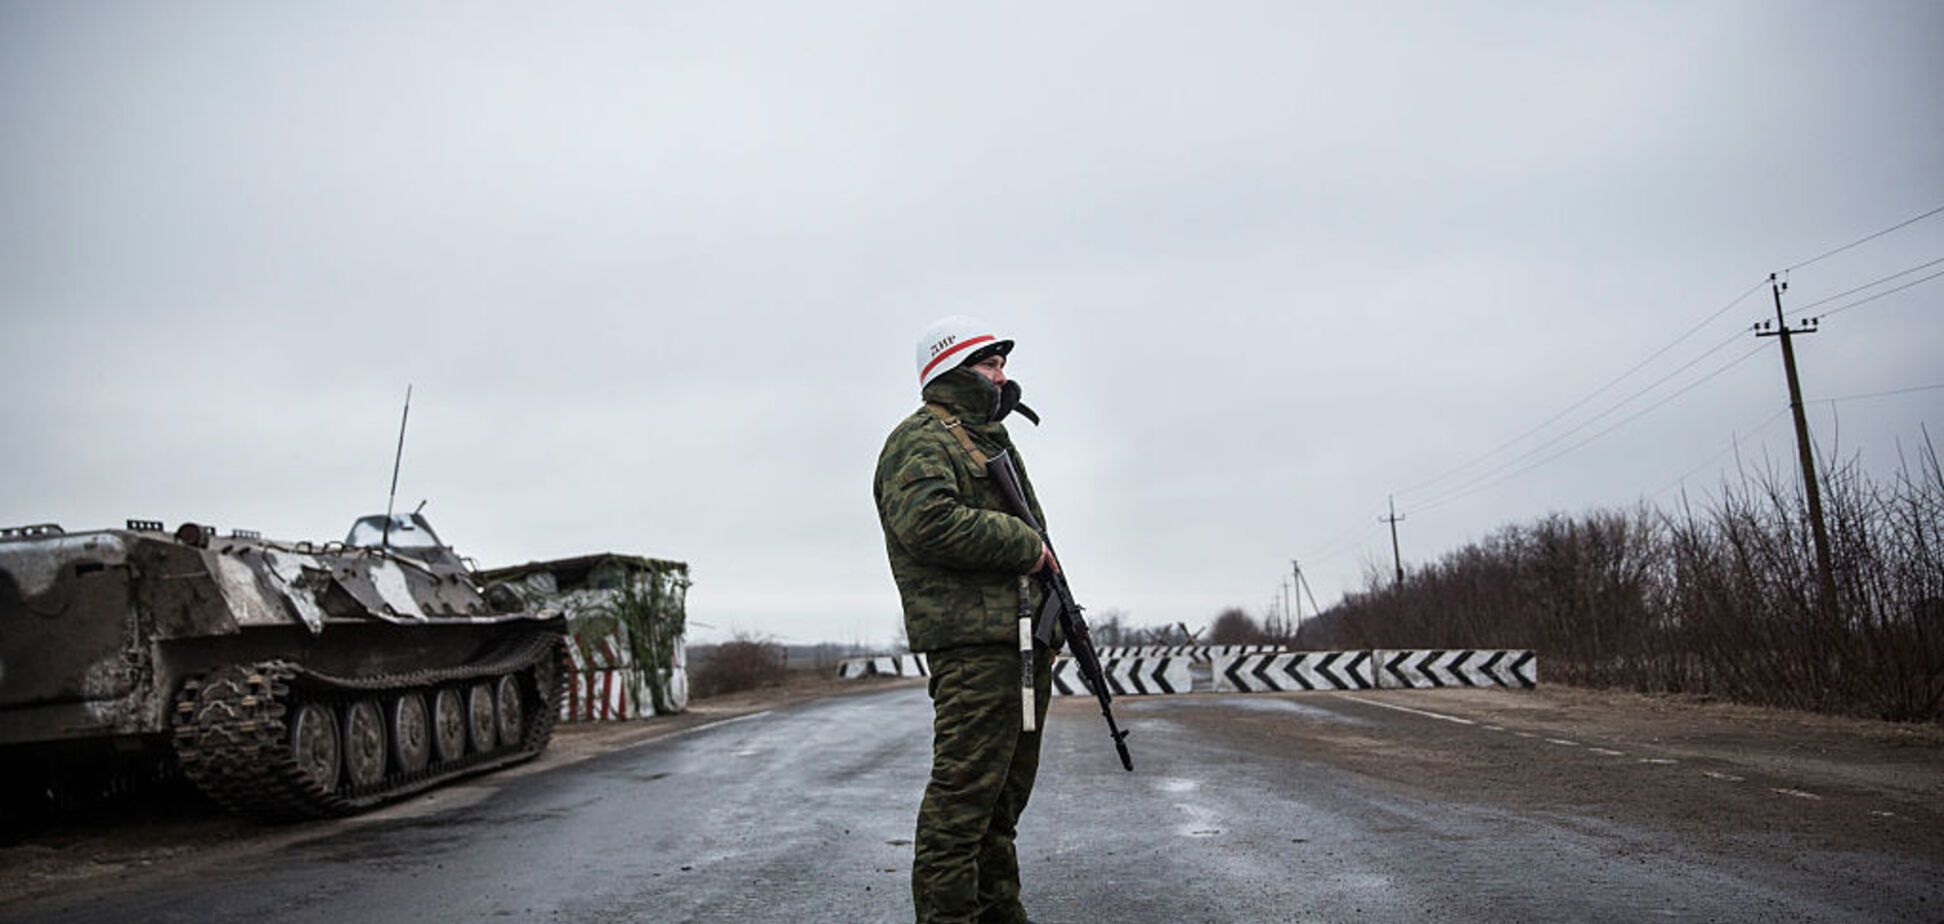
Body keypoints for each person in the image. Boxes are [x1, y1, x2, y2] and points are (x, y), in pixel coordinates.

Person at [874, 315, 1059, 924]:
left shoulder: (982, 439)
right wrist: (1022, 542)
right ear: (952, 372)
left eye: (1002, 364)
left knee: (999, 811)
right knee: (962, 810)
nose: (1002, 375)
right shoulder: (922, 439)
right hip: (975, 646)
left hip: (1019, 643)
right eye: (989, 365)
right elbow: (927, 520)